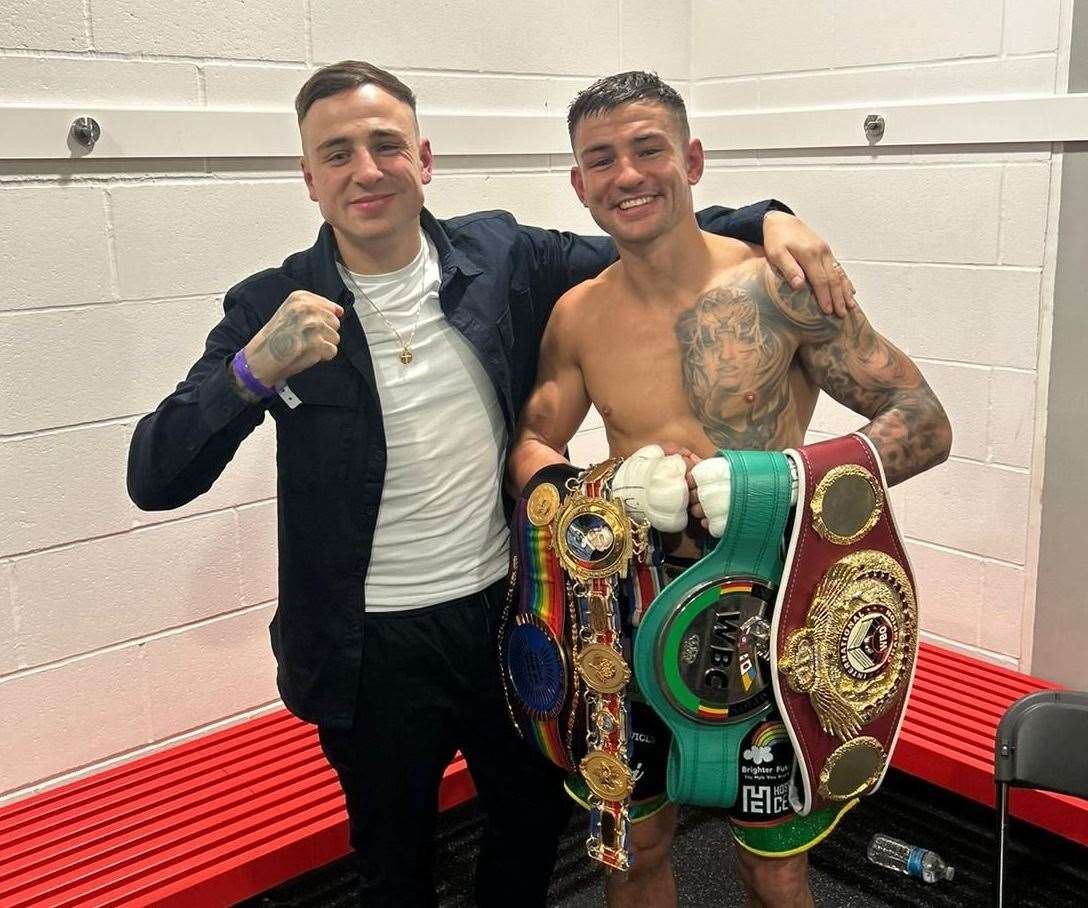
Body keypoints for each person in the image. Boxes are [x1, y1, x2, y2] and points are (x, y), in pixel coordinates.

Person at [126, 59, 857, 908]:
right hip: (368, 651)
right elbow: (156, 475)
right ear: (309, 180)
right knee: (393, 864)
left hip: (510, 616)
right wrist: (250, 374)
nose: (366, 170)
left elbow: (647, 229)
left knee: (527, 829)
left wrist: (776, 217)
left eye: (386, 145)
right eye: (337, 154)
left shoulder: (502, 257)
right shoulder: (268, 306)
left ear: (424, 159)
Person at [506, 71, 952, 908]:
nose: (627, 175)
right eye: (600, 160)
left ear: (693, 160)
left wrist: (780, 482)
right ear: (579, 183)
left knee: (773, 865)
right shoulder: (577, 315)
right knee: (633, 847)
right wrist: (598, 486)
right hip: (629, 603)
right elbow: (532, 442)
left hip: (772, 607)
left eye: (649, 149)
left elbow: (922, 419)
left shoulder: (781, 289)